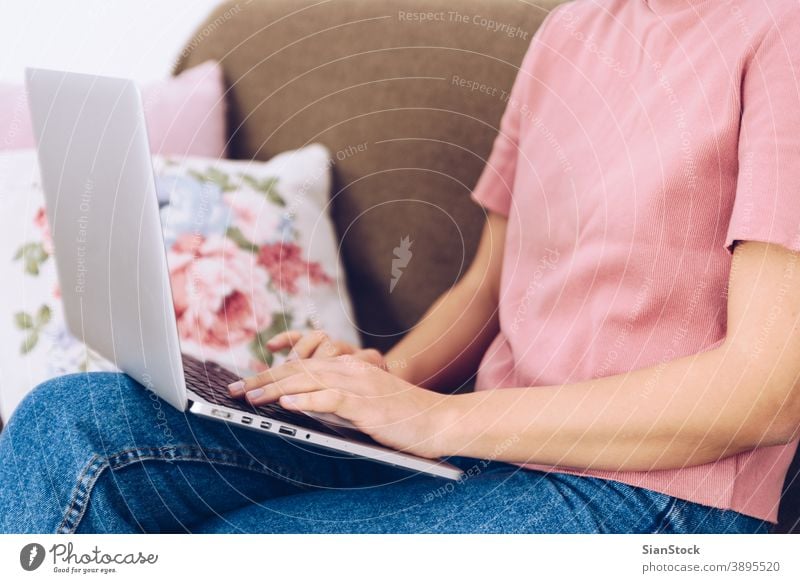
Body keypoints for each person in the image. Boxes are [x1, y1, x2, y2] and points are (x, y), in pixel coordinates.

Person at [1, 0, 799, 533]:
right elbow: (490, 286)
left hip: (653, 494)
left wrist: (438, 417)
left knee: (217, 546)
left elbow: (768, 392)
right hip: (480, 454)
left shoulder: (781, 37)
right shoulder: (572, 32)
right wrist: (378, 381)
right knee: (65, 420)